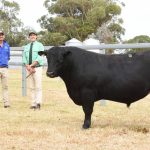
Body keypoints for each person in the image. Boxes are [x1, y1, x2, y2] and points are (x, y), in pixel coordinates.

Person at [23, 31, 44, 110]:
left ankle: (38, 103)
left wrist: (32, 65)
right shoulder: (26, 46)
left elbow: (40, 57)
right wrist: (28, 66)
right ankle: (33, 103)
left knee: (38, 86)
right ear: (29, 37)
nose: (32, 36)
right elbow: (24, 57)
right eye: (31, 35)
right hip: (29, 68)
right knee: (31, 87)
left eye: (34, 35)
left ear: (36, 37)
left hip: (37, 68)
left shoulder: (40, 45)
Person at [0, 31, 10, 108]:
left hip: (4, 68)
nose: (1, 36)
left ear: (4, 36)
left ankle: (6, 103)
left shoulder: (7, 45)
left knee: (5, 86)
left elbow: (8, 57)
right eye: (0, 35)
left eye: (2, 35)